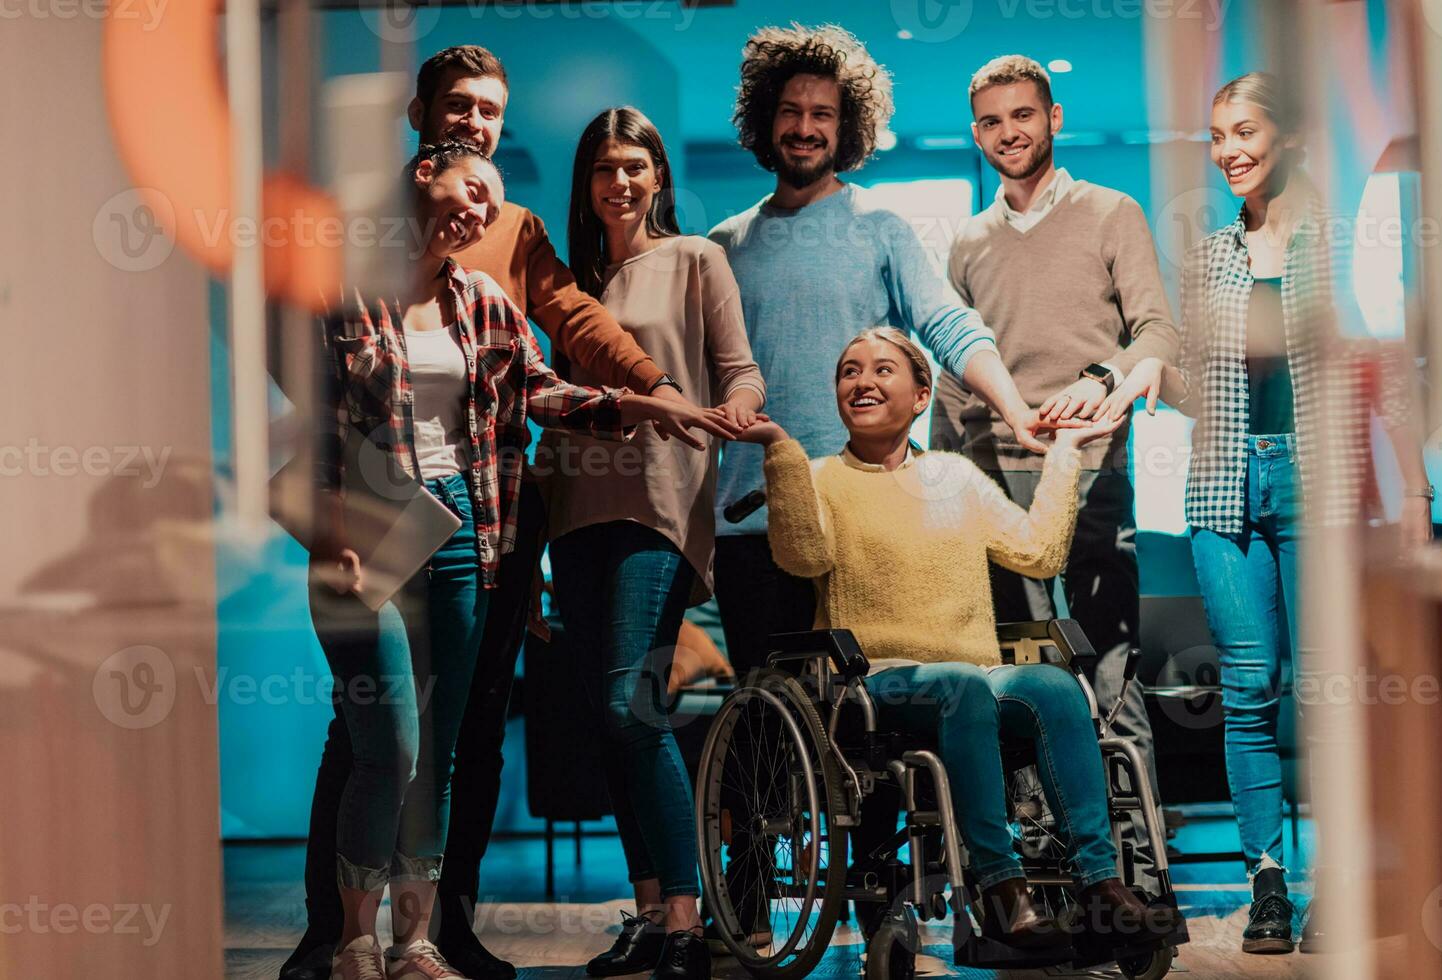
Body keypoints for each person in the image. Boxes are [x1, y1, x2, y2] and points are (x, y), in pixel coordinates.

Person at [281, 47, 720, 980]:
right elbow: (301, 383)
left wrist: (653, 393)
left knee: (456, 738)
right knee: (372, 735)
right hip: (371, 522)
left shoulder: (501, 254)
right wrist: (339, 501)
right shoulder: (351, 249)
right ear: (421, 126)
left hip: (478, 522)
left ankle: (431, 934)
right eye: (463, 110)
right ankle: (336, 936)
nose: (478, 128)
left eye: (492, 115)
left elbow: (563, 350)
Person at [739, 328, 1177, 949]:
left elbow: (1040, 552)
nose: (862, 381)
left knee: (1052, 685)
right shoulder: (821, 477)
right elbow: (803, 556)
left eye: (882, 369)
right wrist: (780, 449)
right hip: (871, 681)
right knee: (963, 685)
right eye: (849, 372)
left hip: (972, 679)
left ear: (922, 396)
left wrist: (1066, 450)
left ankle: (1101, 883)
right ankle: (1001, 889)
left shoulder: (956, 475)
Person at [1164, 71, 1433, 954]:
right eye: (1217, 136)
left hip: (1319, 486)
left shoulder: (1338, 240)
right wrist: (1126, 378)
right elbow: (1192, 382)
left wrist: (1416, 492)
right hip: (1220, 485)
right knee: (1247, 693)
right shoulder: (1207, 256)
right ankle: (1268, 886)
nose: (1230, 150)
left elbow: (1382, 372)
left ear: (1285, 138)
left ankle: (1337, 881)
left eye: (1245, 131)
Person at [708, 22, 1045, 691]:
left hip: (860, 519)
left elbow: (950, 326)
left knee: (869, 728)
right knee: (763, 731)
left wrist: (1016, 411)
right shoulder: (722, 246)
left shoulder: (880, 229)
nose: (805, 128)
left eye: (822, 115)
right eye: (791, 111)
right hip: (751, 526)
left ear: (847, 127)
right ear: (765, 118)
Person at [928, 54, 1178, 890]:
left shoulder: (1112, 212)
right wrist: (946, 491)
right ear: (977, 134)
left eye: (1023, 115)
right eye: (993, 121)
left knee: (1109, 673)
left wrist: (1101, 381)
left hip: (1095, 473)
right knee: (1025, 682)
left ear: (1053, 117)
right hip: (995, 492)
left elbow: (1155, 335)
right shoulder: (964, 241)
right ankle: (1046, 874)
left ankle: (1138, 878)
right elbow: (953, 383)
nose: (1010, 132)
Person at [543, 107, 765, 980]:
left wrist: (736, 413)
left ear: (659, 176)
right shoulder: (568, 283)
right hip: (572, 513)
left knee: (630, 707)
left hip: (659, 509)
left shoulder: (696, 259)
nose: (620, 182)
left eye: (635, 165)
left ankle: (685, 921)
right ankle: (647, 913)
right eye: (604, 168)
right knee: (605, 724)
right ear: (586, 185)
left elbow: (738, 368)